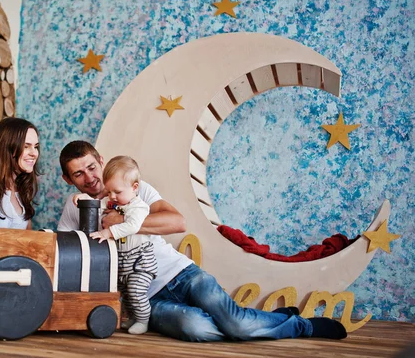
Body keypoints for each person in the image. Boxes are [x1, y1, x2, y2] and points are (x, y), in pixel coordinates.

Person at [58, 141, 347, 342]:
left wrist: (124, 223)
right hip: (146, 298)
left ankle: (301, 326)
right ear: (68, 179)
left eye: (91, 167)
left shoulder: (132, 188)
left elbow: (177, 222)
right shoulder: (73, 209)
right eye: (78, 173)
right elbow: (69, 257)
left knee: (234, 323)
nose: (89, 177)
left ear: (101, 161)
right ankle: (258, 320)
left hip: (182, 275)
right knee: (200, 328)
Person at [74, 156, 157, 335]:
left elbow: (133, 226)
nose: (111, 196)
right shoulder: (115, 202)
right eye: (109, 191)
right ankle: (133, 318)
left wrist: (108, 233)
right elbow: (98, 204)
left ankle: (143, 320)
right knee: (125, 293)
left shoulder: (138, 207)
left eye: (117, 192)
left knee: (136, 291)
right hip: (124, 261)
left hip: (140, 261)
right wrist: (85, 198)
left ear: (134, 188)